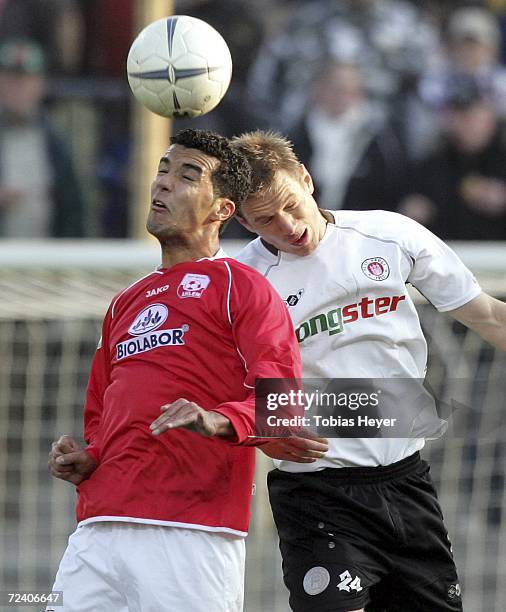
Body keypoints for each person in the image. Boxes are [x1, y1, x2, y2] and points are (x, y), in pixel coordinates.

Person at [46, 128, 326, 612]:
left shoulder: (244, 287)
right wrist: (90, 457)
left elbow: (283, 404)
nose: (163, 184)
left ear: (222, 210)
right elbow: (100, 412)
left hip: (191, 530)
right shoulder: (124, 303)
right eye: (161, 171)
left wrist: (216, 420)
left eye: (186, 175)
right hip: (98, 528)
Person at [232, 130, 506, 612]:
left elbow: (485, 314)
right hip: (316, 492)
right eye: (265, 221)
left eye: (291, 205)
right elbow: (230, 385)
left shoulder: (388, 234)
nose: (287, 226)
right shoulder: (244, 282)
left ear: (306, 179)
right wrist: (265, 428)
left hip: (405, 481)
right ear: (241, 220)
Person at [0, 38, 84, 237]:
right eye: (11, 80)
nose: (18, 88)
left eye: (26, 80)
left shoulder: (55, 142)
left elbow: (73, 208)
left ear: (39, 84)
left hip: (45, 258)